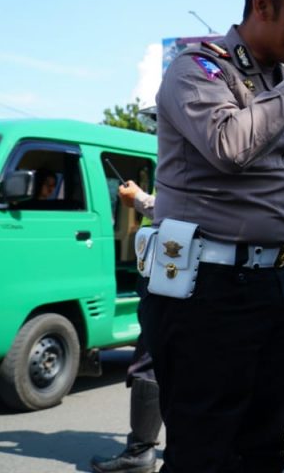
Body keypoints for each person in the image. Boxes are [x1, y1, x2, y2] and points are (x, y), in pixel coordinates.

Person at [141, 0, 284, 473]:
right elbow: (230, 145)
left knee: (263, 446)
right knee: (203, 451)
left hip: (271, 286)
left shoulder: (280, 80)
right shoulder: (199, 69)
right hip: (208, 290)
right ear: (262, 4)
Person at [92, 180, 161, 473]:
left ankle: (140, 451)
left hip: (170, 275)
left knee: (151, 361)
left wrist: (139, 199)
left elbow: (185, 209)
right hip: (168, 271)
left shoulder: (196, 154)